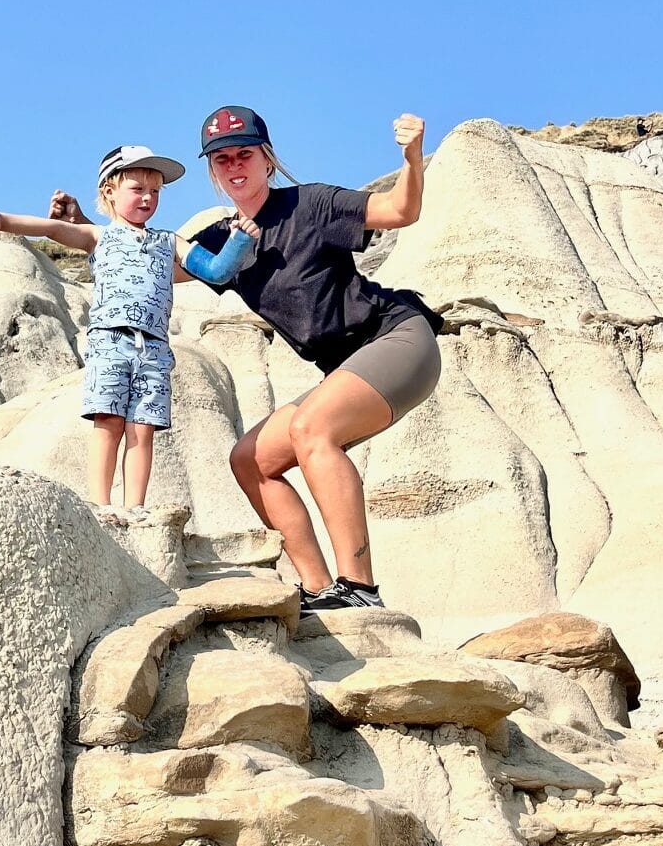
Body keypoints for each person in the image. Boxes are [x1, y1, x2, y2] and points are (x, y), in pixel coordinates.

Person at [49, 109, 442, 611]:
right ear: (213, 170)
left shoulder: (312, 203)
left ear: (267, 159)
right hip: (344, 368)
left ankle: (359, 588)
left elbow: (400, 210)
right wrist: (88, 226)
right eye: (222, 158)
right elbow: (144, 264)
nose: (234, 165)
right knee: (251, 460)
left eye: (244, 154)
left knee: (312, 431)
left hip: (397, 339)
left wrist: (412, 158)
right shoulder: (222, 240)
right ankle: (319, 589)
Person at [0, 145, 258, 509]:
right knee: (108, 421)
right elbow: (52, 228)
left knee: (143, 429)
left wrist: (239, 241)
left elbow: (216, 271)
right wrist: (3, 222)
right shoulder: (99, 237)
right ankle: (101, 505)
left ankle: (134, 509)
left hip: (155, 348)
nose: (147, 198)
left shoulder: (168, 241)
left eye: (155, 191)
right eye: (137, 188)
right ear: (109, 191)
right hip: (111, 340)